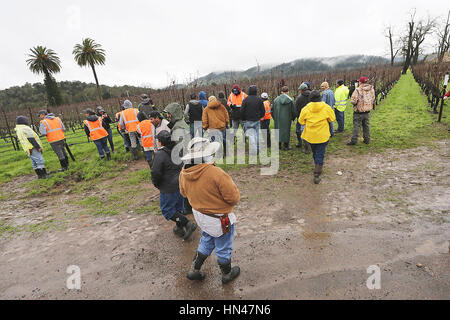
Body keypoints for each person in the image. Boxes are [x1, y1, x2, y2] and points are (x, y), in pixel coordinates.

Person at [179, 137, 241, 284]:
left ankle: (194, 269)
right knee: (223, 245)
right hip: (219, 218)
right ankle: (227, 273)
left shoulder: (184, 173)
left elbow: (183, 193)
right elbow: (234, 198)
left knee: (207, 238)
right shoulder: (216, 173)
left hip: (201, 216)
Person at [151, 130, 197, 240]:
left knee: (167, 210)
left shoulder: (160, 154)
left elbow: (155, 172)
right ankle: (179, 228)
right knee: (178, 208)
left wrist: (157, 184)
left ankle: (187, 223)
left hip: (168, 188)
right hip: (180, 184)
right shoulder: (178, 150)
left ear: (160, 142)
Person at [299, 90, 336, 184]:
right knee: (320, 152)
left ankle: (317, 166)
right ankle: (317, 172)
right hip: (323, 135)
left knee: (316, 152)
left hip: (310, 136)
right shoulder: (326, 107)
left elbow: (301, 121)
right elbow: (332, 119)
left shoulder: (305, 109)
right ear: (320, 98)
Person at [164, 102, 193, 215]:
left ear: (174, 113)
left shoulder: (179, 126)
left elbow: (181, 145)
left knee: (184, 182)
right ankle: (188, 206)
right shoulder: (178, 124)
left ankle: (187, 207)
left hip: (183, 157)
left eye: (169, 114)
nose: (168, 116)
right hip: (185, 156)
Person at [347, 77, 375, 145]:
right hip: (367, 111)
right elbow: (373, 98)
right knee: (366, 126)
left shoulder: (357, 90)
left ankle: (354, 141)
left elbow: (353, 101)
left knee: (356, 126)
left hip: (358, 112)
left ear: (360, 82)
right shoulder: (371, 89)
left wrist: (356, 103)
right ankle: (367, 140)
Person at [240, 85, 266, 155]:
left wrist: (243, 118)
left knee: (251, 136)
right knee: (257, 135)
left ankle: (254, 151)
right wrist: (260, 116)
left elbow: (242, 111)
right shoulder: (259, 100)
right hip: (257, 120)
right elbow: (263, 111)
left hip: (248, 120)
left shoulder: (245, 100)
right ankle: (258, 149)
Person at [272, 86, 296, 150]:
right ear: (288, 92)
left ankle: (278, 146)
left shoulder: (276, 100)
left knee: (278, 130)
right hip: (287, 119)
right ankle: (286, 146)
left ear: (281, 92)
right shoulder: (290, 100)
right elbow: (294, 111)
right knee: (286, 131)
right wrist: (292, 118)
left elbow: (272, 110)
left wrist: (275, 118)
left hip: (278, 119)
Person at [295, 83, 311, 153]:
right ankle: (311, 144)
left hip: (302, 117)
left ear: (301, 90)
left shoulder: (299, 98)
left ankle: (301, 144)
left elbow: (297, 109)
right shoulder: (312, 95)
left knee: (299, 130)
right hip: (311, 117)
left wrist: (298, 117)